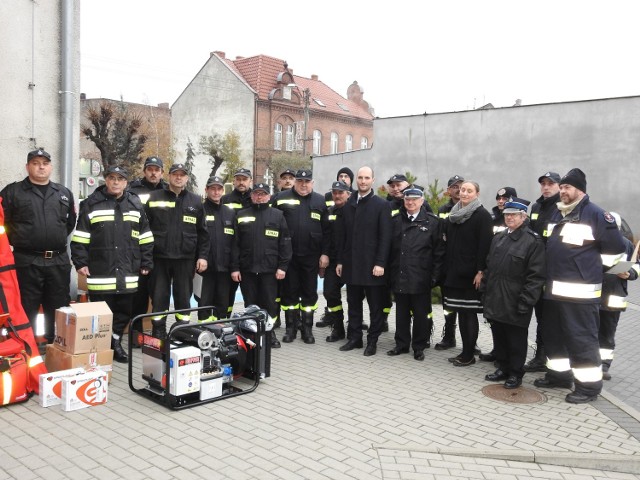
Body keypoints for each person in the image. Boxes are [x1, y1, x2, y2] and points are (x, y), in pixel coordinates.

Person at [534, 168, 626, 404]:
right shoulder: (558, 213)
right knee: (554, 337)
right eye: (561, 187)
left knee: (581, 340)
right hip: (553, 292)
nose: (562, 191)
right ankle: (559, 375)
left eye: (567, 187)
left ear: (580, 190)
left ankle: (588, 387)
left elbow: (615, 252)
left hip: (580, 295)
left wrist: (589, 270)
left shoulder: (597, 215)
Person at [71, 165, 154, 363]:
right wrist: (80, 261)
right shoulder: (92, 204)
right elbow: (81, 236)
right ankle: (105, 346)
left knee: (125, 311)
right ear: (106, 180)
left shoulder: (134, 204)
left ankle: (114, 341)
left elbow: (145, 236)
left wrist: (146, 261)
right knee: (101, 313)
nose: (116, 182)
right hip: (101, 269)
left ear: (126, 182)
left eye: (120, 178)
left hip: (128, 270)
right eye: (112, 178)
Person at [0, 148, 76, 349]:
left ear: (50, 167)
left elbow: (69, 223)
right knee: (27, 306)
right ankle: (28, 345)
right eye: (35, 163)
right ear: (27, 167)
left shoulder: (63, 193)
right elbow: (3, 223)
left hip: (58, 261)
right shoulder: (12, 192)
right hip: (26, 260)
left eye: (44, 163)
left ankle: (56, 345)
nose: (41, 167)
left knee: (58, 305)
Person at [481, 197, 546, 388]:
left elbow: (536, 276)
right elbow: (489, 267)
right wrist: (485, 292)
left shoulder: (533, 241)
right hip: (496, 297)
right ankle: (502, 367)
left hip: (516, 299)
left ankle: (515, 373)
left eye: (514, 215)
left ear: (523, 216)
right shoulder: (499, 238)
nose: (509, 218)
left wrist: (526, 301)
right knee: (499, 336)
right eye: (507, 214)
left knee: (516, 340)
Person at [145, 163, 209, 338]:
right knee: (159, 296)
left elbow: (203, 233)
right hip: (159, 258)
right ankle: (158, 331)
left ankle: (182, 331)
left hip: (185, 259)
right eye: (175, 174)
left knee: (183, 297)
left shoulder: (195, 201)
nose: (178, 178)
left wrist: (202, 257)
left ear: (187, 178)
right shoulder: (154, 197)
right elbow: (145, 229)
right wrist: (145, 257)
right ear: (169, 176)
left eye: (182, 175)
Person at [337, 166, 392, 356]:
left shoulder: (382, 205)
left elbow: (386, 238)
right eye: (360, 177)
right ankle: (355, 338)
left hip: (372, 266)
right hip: (352, 264)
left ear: (373, 180)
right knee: (353, 303)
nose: (362, 181)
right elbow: (343, 237)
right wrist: (341, 262)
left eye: (366, 178)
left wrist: (381, 263)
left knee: (375, 306)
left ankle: (372, 341)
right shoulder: (349, 205)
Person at [387, 187, 444, 361]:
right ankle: (402, 344)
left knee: (421, 315)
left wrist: (434, 277)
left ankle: (419, 346)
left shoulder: (432, 222)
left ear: (421, 201)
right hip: (400, 274)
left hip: (421, 277)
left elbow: (439, 253)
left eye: (414, 200)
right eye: (407, 200)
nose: (410, 203)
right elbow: (389, 250)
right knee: (401, 313)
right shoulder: (396, 220)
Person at [232, 183, 291, 349]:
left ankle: (269, 333)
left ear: (268, 197)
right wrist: (235, 268)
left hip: (269, 270)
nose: (259, 197)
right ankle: (251, 334)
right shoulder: (241, 214)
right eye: (256, 193)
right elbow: (235, 244)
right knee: (250, 303)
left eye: (263, 194)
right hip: (247, 269)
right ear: (251, 196)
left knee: (269, 303)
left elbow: (285, 243)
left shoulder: (277, 215)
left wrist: (282, 267)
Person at [273, 169, 329, 344]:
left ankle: (307, 329)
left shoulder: (320, 201)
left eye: (307, 181)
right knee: (289, 294)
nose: (303, 184)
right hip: (288, 257)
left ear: (312, 183)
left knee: (309, 294)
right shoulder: (280, 198)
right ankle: (290, 329)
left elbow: (327, 231)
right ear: (295, 182)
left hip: (311, 257)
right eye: (300, 181)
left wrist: (325, 254)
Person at [441, 181, 493, 366]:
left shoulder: (482, 216)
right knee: (462, 313)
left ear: (477, 194)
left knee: (469, 314)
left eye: (469, 191)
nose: (464, 193)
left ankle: (469, 355)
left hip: (471, 275)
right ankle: (465, 352)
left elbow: (484, 246)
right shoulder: (453, 215)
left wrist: (481, 271)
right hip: (455, 273)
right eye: (463, 190)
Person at [524, 171, 561, 373]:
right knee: (539, 316)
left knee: (549, 319)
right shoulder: (536, 206)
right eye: (543, 184)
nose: (546, 187)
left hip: (553, 272)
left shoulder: (562, 208)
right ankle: (540, 356)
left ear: (559, 186)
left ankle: (550, 359)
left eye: (551, 184)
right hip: (535, 270)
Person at [127, 156, 168, 322]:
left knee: (159, 293)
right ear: (144, 171)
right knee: (139, 294)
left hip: (159, 250)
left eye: (156, 170)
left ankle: (158, 330)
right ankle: (136, 333)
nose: (153, 173)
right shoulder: (133, 190)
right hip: (138, 249)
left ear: (162, 173)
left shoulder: (167, 191)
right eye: (150, 169)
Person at [598, 212, 638, 381]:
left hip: (613, 297)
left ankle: (604, 365)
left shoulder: (627, 244)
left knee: (607, 333)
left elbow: (636, 266)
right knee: (589, 332)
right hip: (594, 295)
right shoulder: (595, 243)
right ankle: (590, 363)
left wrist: (629, 273)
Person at [198, 176, 236, 322]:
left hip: (224, 268)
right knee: (204, 302)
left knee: (222, 302)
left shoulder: (230, 213)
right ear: (206, 190)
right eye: (212, 189)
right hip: (204, 268)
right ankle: (204, 332)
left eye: (219, 189)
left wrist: (234, 266)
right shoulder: (200, 210)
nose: (216, 192)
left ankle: (221, 332)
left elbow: (234, 242)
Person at [435, 174, 464, 351]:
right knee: (448, 305)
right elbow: (440, 234)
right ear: (448, 191)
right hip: (447, 264)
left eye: (460, 186)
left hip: (464, 264)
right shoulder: (443, 209)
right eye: (454, 186)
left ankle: (470, 341)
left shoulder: (472, 208)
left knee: (467, 307)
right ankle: (449, 336)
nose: (458, 189)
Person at [319, 181, 351, 341]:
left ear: (348, 194)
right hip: (332, 261)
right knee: (330, 292)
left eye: (341, 192)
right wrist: (324, 254)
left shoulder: (355, 211)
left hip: (351, 262)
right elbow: (326, 236)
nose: (337, 195)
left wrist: (343, 261)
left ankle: (354, 329)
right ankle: (338, 328)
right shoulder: (329, 211)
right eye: (335, 192)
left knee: (354, 297)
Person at [221, 167, 253, 315]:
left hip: (250, 252)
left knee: (250, 293)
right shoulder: (225, 200)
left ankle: (251, 321)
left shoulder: (256, 198)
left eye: (244, 179)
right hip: (229, 251)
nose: (241, 182)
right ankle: (226, 319)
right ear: (234, 181)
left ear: (250, 181)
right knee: (227, 292)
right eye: (238, 179)